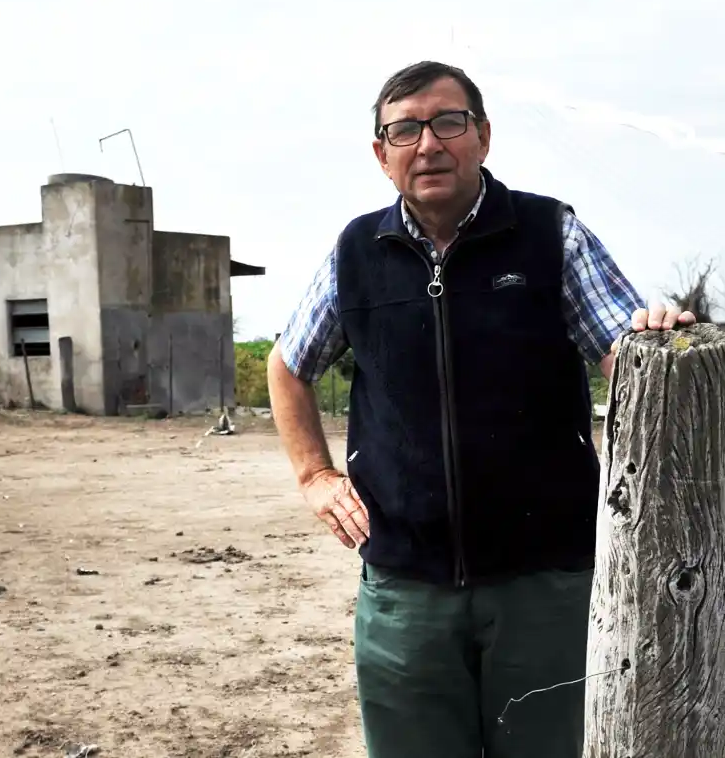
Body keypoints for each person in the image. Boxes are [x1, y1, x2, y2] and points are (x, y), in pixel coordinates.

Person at [266, 60, 696, 758]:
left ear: (483, 136)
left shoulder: (549, 234)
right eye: (404, 130)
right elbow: (288, 367)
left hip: (545, 587)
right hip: (405, 592)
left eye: (448, 122)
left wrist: (657, 337)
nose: (428, 144)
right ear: (382, 154)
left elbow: (625, 351)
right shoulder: (355, 253)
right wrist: (316, 477)